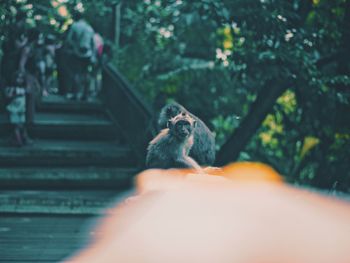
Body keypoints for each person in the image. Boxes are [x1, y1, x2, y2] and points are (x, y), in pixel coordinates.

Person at [62, 11, 96, 100]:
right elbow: (93, 43)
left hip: (77, 53)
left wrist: (74, 47)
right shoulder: (89, 28)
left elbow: (68, 40)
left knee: (76, 73)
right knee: (86, 74)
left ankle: (76, 94)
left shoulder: (75, 26)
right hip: (87, 53)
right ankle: (85, 94)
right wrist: (93, 55)